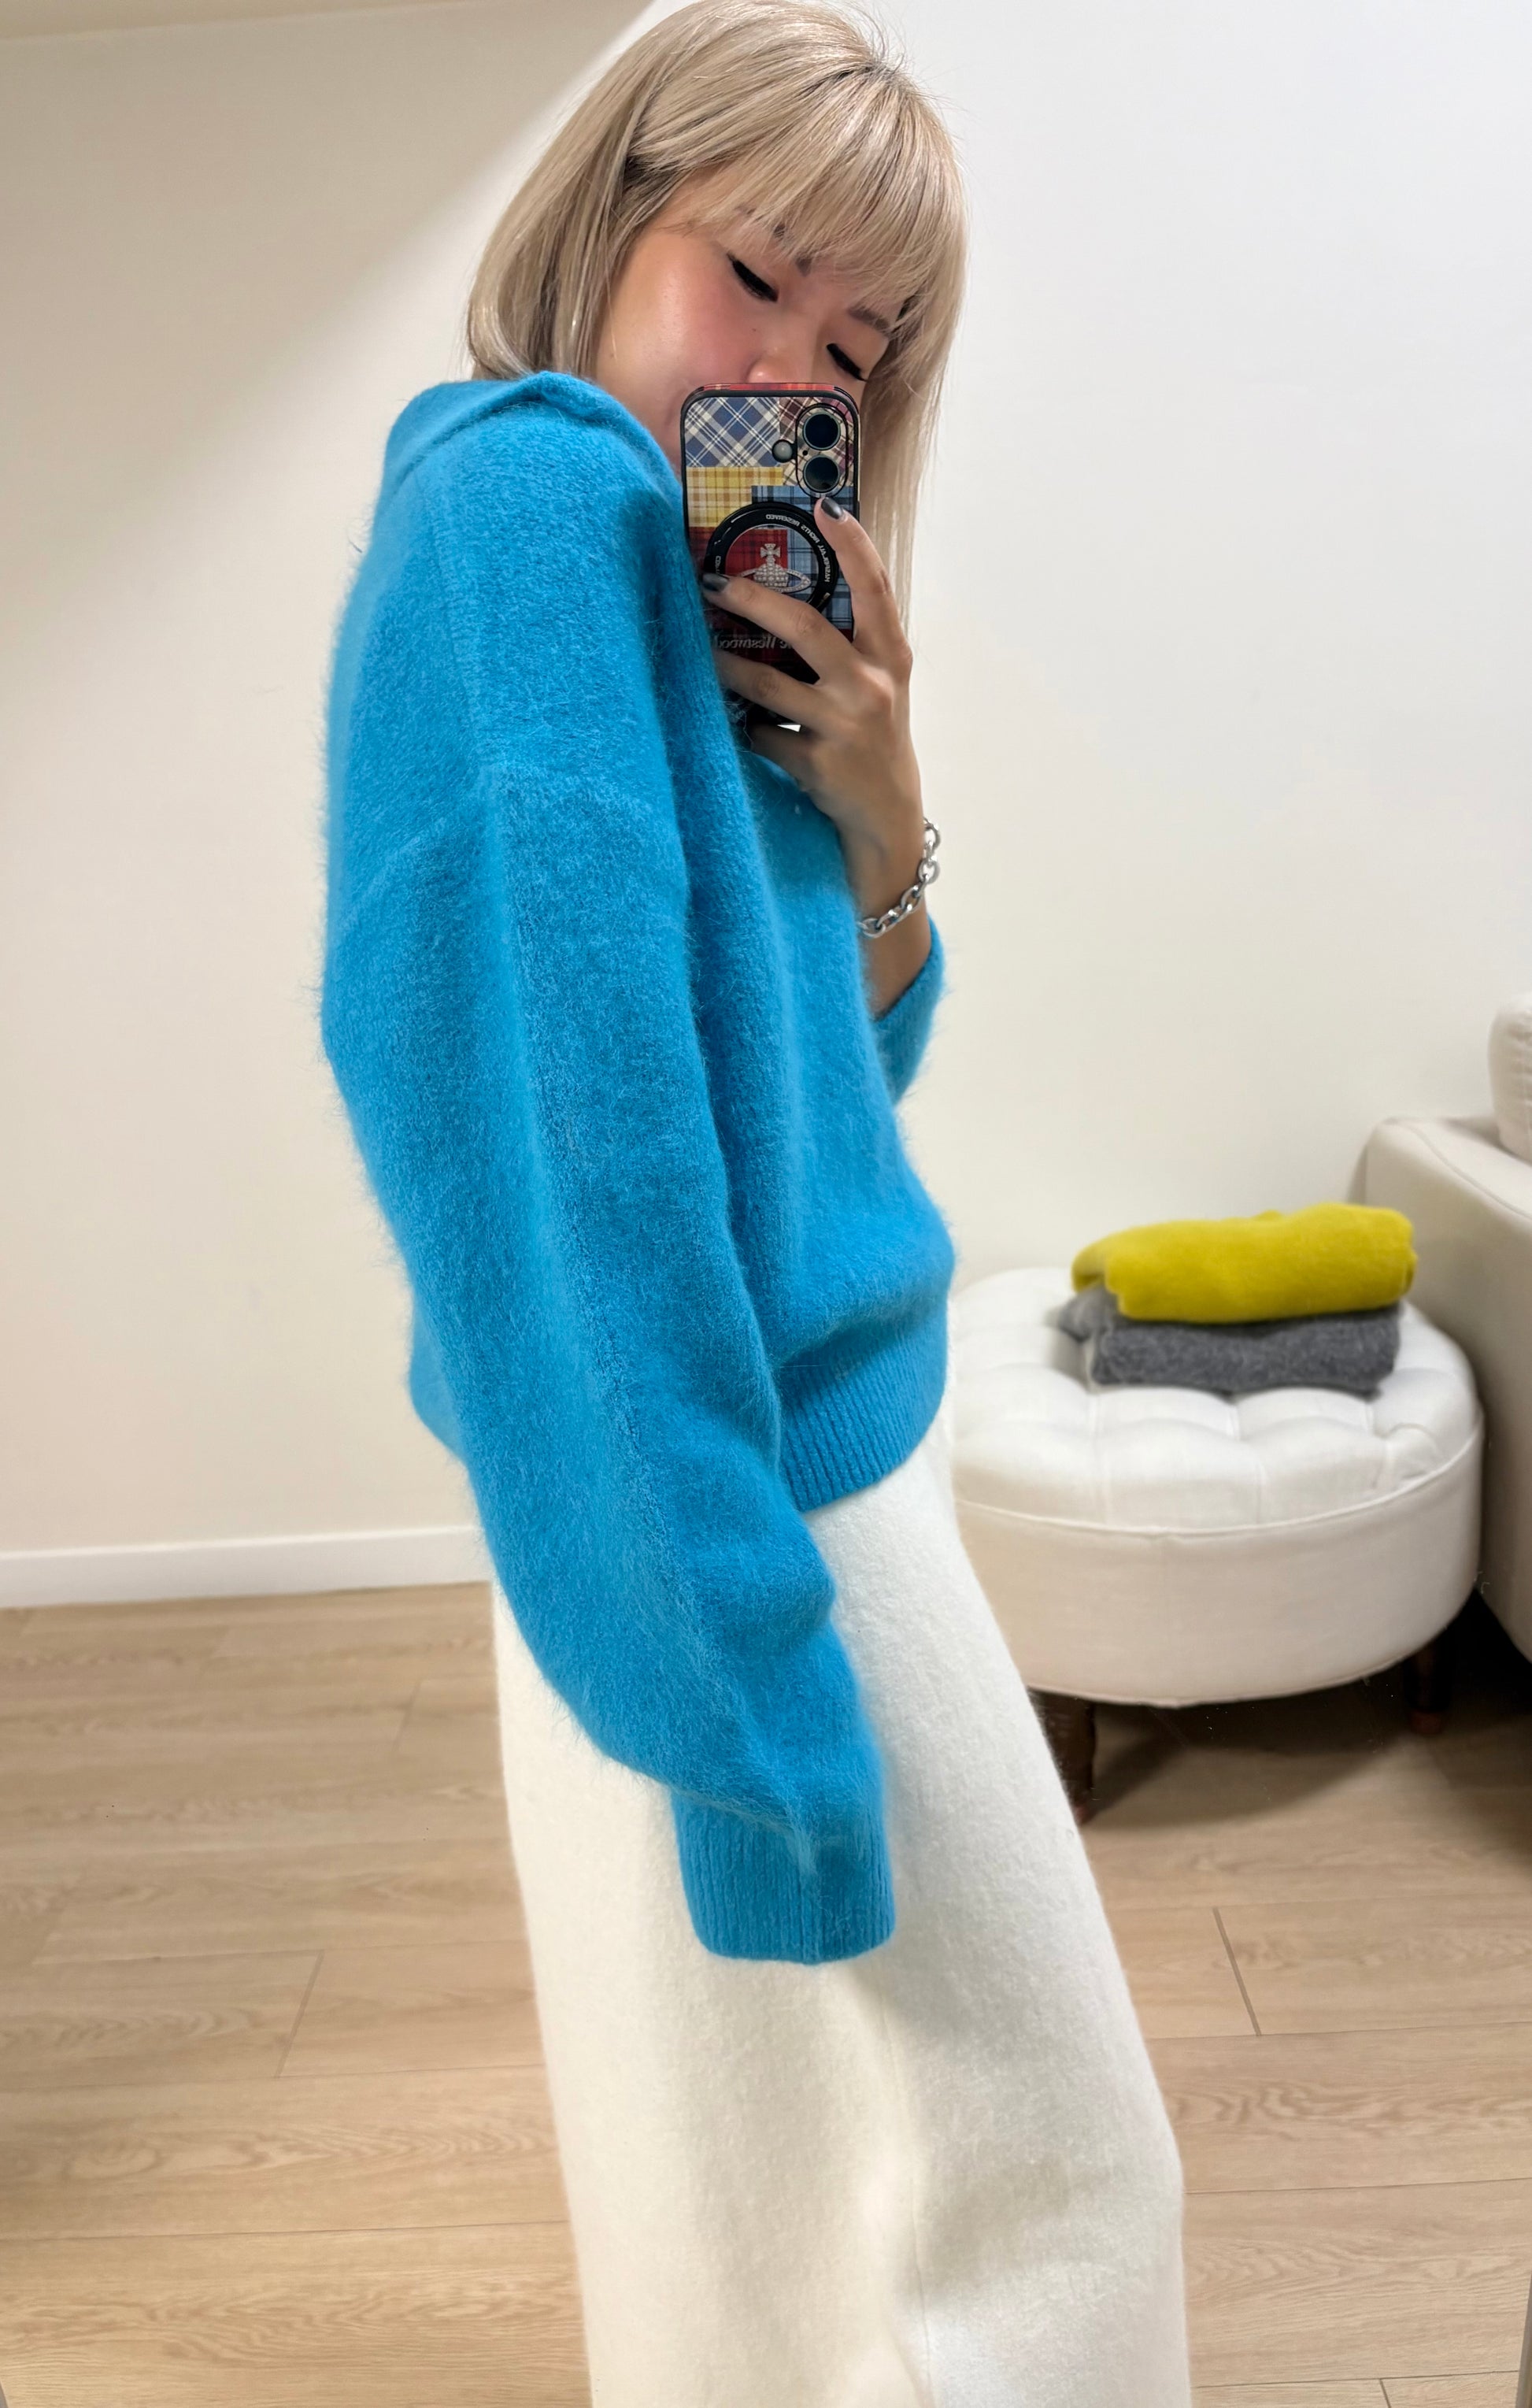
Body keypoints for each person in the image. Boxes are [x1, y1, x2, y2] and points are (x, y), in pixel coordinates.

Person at [320, 2, 1194, 2400]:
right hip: (753, 1503)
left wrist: (881, 814)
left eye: (856, 341)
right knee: (1062, 2177)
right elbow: (562, 1173)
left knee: (735, 2249)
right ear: (612, 211)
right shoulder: (531, 511)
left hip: (707, 1484)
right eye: (757, 272)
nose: (793, 366)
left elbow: (830, 1104)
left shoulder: (662, 587)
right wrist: (741, 1691)